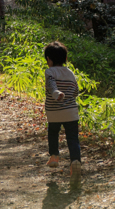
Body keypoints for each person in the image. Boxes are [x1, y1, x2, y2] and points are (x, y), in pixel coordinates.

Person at [44, 41, 82, 181]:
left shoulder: (49, 71)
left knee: (53, 132)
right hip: (71, 111)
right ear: (65, 59)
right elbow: (75, 91)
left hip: (54, 112)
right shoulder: (70, 73)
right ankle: (75, 162)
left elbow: (51, 85)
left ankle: (54, 156)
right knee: (73, 138)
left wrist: (56, 94)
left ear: (48, 59)